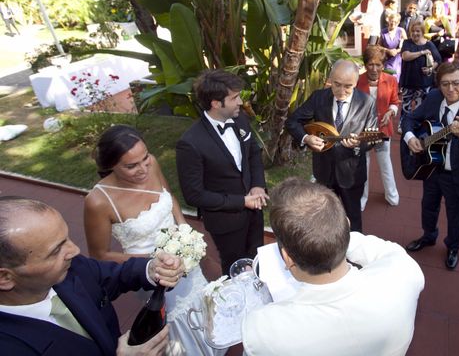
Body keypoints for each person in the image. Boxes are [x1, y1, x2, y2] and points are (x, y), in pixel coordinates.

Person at [242, 178, 425, 356]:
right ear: (347, 224)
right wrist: (333, 234)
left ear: (287, 258)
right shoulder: (404, 272)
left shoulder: (262, 330)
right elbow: (383, 251)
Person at [0, 196, 184, 356]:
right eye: (56, 250)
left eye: (67, 239)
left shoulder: (73, 267)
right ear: (5, 278)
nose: (75, 250)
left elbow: (114, 276)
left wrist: (152, 269)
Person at [84, 125, 208, 355]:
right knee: (176, 319)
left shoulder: (152, 164)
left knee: (199, 303)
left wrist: (185, 231)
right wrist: (153, 262)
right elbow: (99, 256)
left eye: (145, 159)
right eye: (131, 166)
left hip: (183, 252)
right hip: (150, 272)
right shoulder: (98, 201)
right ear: (110, 165)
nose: (143, 169)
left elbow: (169, 197)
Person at [176, 70, 267, 275]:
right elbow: (194, 195)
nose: (240, 102)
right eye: (234, 98)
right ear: (216, 103)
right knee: (234, 268)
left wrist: (257, 185)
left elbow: (253, 152)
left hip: (255, 212)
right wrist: (242, 201)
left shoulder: (240, 119)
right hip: (225, 223)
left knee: (258, 261)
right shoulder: (190, 143)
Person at [403, 60, 459, 269]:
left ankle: (453, 247)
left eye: (456, 83)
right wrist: (410, 137)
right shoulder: (434, 98)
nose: (451, 89)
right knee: (428, 206)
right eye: (445, 84)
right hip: (432, 168)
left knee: (456, 214)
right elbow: (410, 119)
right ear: (438, 85)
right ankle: (429, 236)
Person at [285, 60, 377, 233]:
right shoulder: (319, 97)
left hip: (351, 173)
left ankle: (353, 254)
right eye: (337, 84)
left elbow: (372, 137)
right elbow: (293, 121)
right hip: (324, 170)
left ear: (356, 83)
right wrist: (306, 138)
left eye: (348, 87)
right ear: (330, 79)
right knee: (324, 217)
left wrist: (358, 144)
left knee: (353, 219)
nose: (341, 92)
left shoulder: (367, 102)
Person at [357, 46, 401, 210]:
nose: (374, 69)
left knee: (385, 164)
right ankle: (362, 197)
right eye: (370, 64)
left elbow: (395, 102)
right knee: (364, 165)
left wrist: (391, 112)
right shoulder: (357, 80)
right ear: (365, 65)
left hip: (383, 130)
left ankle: (392, 195)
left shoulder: (391, 80)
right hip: (363, 131)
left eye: (378, 65)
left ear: (383, 65)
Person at [399, 21, 442, 125]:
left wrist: (431, 69)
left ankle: (418, 125)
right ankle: (404, 125)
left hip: (424, 83)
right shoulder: (407, 43)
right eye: (412, 31)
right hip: (408, 82)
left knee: (421, 108)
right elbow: (405, 56)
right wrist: (422, 52)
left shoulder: (429, 44)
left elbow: (438, 60)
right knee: (406, 107)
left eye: (417, 31)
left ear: (422, 32)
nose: (415, 33)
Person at [378, 12, 406, 82]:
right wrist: (388, 50)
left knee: (397, 79)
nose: (393, 23)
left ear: (398, 22)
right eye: (391, 21)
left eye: (395, 22)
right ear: (388, 20)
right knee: (388, 78)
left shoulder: (401, 31)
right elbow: (378, 46)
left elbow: (406, 45)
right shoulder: (383, 32)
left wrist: (397, 51)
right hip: (387, 60)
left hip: (398, 60)